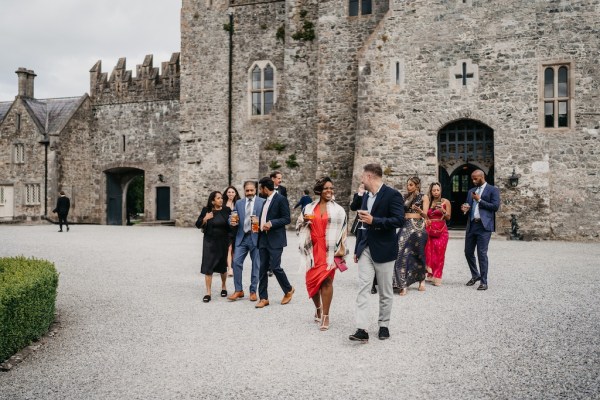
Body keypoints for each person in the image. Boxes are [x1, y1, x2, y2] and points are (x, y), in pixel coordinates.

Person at [349, 163, 404, 343]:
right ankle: (362, 329)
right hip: (365, 248)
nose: (361, 179)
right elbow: (362, 224)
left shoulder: (392, 195)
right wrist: (358, 248)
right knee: (363, 288)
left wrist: (375, 220)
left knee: (385, 290)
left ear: (370, 176)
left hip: (385, 248)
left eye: (363, 176)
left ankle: (384, 325)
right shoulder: (365, 196)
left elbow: (398, 220)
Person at [296, 177, 347, 331]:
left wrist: (341, 251)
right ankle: (318, 307)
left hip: (329, 250)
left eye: (331, 188)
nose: (329, 191)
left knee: (326, 282)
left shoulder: (339, 210)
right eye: (326, 188)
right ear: (319, 190)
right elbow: (298, 226)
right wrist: (305, 223)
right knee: (312, 283)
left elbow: (343, 232)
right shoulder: (309, 208)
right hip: (312, 249)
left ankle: (325, 315)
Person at [255, 177, 295, 309]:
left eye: (261, 188)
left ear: (265, 188)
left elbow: (286, 218)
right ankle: (264, 298)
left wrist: (271, 223)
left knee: (275, 266)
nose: (260, 191)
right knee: (262, 269)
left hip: (275, 239)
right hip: (263, 239)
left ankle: (288, 289)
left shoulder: (281, 199)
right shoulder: (265, 201)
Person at [461, 170, 500, 291]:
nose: (473, 181)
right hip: (472, 225)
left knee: (481, 254)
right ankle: (475, 275)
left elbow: (495, 207)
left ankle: (483, 281)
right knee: (468, 252)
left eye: (475, 178)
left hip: (484, 226)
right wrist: (465, 208)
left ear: (482, 177)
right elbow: (468, 205)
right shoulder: (470, 191)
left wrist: (479, 200)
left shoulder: (493, 190)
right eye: (472, 178)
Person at [227, 181, 264, 302]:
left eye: (251, 190)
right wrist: (231, 221)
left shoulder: (262, 202)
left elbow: (266, 219)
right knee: (236, 262)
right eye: (247, 190)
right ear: (244, 190)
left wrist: (259, 223)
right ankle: (238, 290)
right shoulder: (239, 203)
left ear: (255, 190)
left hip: (256, 237)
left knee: (256, 265)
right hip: (242, 237)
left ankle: (253, 291)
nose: (249, 193)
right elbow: (233, 216)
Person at [393, 177, 429, 295]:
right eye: (408, 184)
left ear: (417, 186)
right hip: (406, 226)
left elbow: (425, 215)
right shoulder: (405, 197)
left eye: (411, 185)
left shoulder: (424, 197)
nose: (408, 187)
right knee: (399, 252)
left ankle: (421, 279)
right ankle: (402, 283)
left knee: (419, 253)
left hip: (418, 227)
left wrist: (419, 210)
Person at [195, 191, 232, 303]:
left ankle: (224, 286)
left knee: (222, 266)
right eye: (218, 198)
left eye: (221, 198)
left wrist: (230, 238)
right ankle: (208, 292)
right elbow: (197, 224)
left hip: (223, 242)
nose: (221, 200)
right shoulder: (206, 210)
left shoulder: (227, 210)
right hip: (209, 242)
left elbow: (231, 225)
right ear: (212, 201)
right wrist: (205, 218)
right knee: (208, 266)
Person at [350, 184, 377, 295]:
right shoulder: (359, 195)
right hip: (360, 227)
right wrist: (360, 194)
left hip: (372, 226)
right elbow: (353, 207)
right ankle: (368, 282)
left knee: (373, 253)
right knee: (361, 252)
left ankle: (373, 282)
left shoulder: (375, 195)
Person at [424, 182, 451, 286]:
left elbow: (449, 217)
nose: (436, 192)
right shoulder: (428, 202)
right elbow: (424, 215)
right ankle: (430, 275)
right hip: (429, 230)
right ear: (431, 191)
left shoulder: (445, 202)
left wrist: (443, 210)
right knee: (430, 253)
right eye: (434, 190)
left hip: (442, 230)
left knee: (440, 254)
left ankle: (438, 277)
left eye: (437, 190)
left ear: (440, 191)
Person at [223, 186, 241, 277]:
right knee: (228, 248)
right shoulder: (223, 203)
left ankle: (233, 267)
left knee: (235, 249)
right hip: (226, 229)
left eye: (232, 192)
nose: (230, 194)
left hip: (236, 229)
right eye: (229, 192)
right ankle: (229, 268)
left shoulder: (239, 203)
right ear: (226, 193)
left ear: (235, 193)